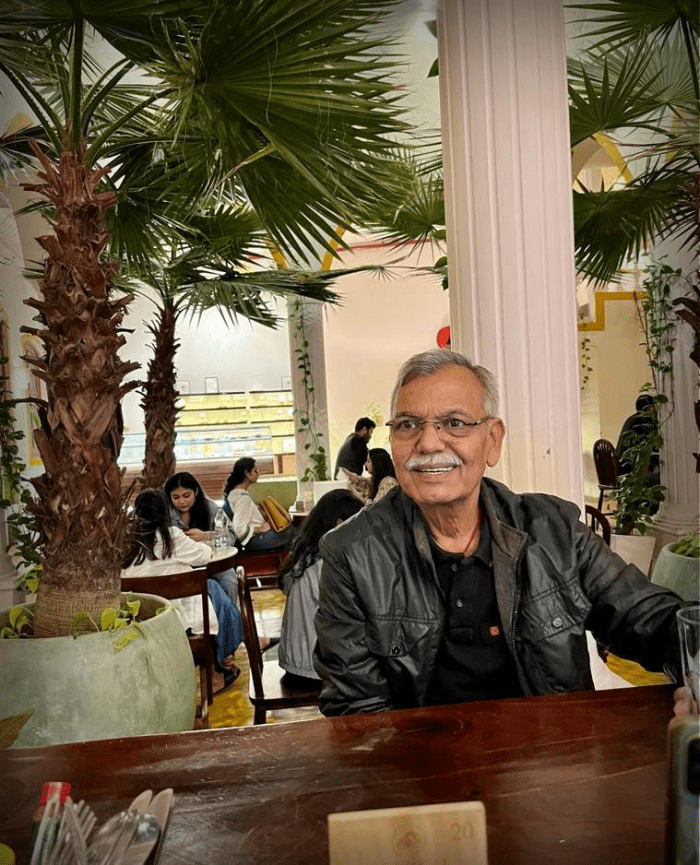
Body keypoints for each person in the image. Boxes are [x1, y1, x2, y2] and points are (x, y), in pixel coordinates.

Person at [314, 348, 688, 717]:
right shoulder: (352, 553)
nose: (427, 443)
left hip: (553, 747)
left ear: (492, 440)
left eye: (454, 423)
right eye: (408, 425)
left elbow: (652, 619)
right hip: (417, 755)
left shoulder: (553, 530)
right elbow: (358, 713)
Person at [122, 488, 244, 685]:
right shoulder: (172, 537)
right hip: (184, 624)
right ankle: (217, 666)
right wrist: (203, 543)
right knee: (212, 588)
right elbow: (203, 556)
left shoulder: (126, 542)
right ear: (165, 512)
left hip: (141, 624)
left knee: (212, 589)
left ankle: (219, 661)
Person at [277, 489, 364, 689]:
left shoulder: (307, 554)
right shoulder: (327, 562)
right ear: (339, 524)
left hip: (295, 663)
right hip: (314, 671)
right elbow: (353, 613)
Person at [164, 471, 237, 602]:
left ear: (196, 492)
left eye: (186, 496)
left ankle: (228, 614)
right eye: (176, 497)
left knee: (229, 580)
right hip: (179, 565)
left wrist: (207, 536)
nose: (182, 501)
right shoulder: (165, 513)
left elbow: (231, 536)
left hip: (212, 562)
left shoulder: (210, 507)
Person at [222, 457, 296, 551]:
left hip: (252, 539)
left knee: (290, 533)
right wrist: (260, 529)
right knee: (291, 531)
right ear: (247, 473)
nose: (258, 473)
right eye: (255, 471)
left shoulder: (234, 494)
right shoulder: (243, 498)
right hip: (253, 541)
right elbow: (239, 529)